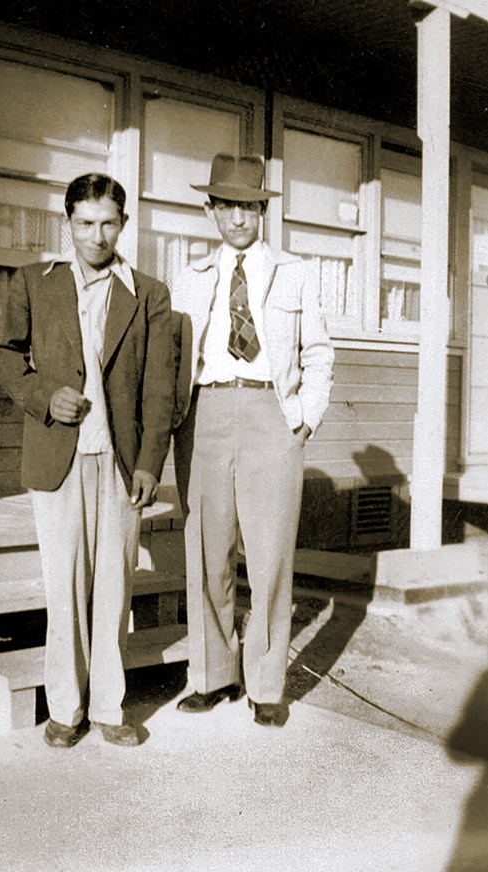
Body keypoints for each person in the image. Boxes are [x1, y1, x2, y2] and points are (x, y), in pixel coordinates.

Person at [0, 173, 174, 748]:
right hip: (57, 458)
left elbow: (159, 389)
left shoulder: (148, 293)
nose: (97, 235)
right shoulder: (32, 283)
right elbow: (2, 358)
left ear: (123, 225)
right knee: (64, 585)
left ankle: (110, 709)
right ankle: (65, 709)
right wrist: (44, 396)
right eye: (86, 222)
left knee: (114, 587)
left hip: (120, 462)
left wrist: (149, 461)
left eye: (109, 223)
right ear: (67, 222)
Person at [172, 154, 334, 726]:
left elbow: (317, 353)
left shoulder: (295, 271)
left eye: (249, 206)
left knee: (269, 556)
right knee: (206, 551)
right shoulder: (189, 276)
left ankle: (267, 684)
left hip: (272, 412)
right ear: (210, 210)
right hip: (204, 411)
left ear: (261, 211)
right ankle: (213, 675)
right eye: (227, 205)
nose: (238, 217)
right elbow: (173, 356)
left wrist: (305, 421)